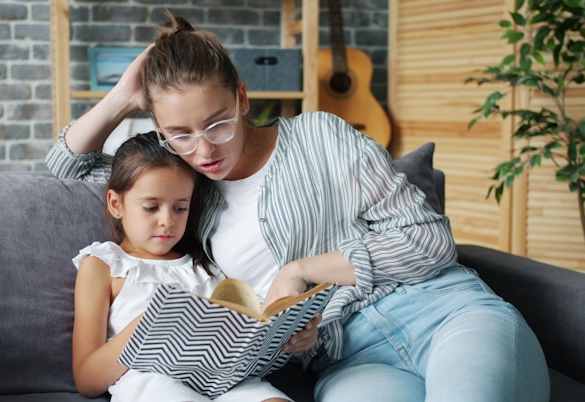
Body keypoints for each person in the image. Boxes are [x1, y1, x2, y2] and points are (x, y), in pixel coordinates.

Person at [48, 12, 550, 402]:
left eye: (218, 123)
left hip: (440, 310)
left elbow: (430, 240)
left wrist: (303, 271)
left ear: (242, 98)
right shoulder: (184, 196)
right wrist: (120, 98)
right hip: (346, 361)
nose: (204, 150)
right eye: (180, 134)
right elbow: (65, 167)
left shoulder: (321, 134)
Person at [70, 132, 293, 402]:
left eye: (180, 209)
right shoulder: (104, 265)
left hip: (221, 381)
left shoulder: (204, 265)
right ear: (116, 204)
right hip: (152, 382)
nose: (167, 221)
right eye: (151, 207)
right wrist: (151, 325)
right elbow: (86, 379)